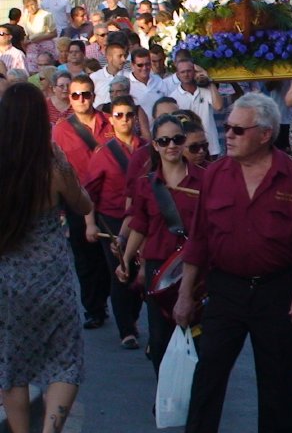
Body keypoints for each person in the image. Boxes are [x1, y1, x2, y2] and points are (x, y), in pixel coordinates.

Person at [167, 93, 292, 433]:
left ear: (264, 134)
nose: (228, 135)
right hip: (226, 288)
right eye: (227, 128)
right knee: (210, 369)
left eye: (237, 130)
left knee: (279, 371)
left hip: (278, 288)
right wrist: (185, 294)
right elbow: (199, 240)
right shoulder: (216, 175)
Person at [0, 84, 93, 433]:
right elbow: (83, 205)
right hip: (51, 276)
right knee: (65, 360)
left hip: (7, 279)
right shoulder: (52, 163)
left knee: (10, 364)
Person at [120, 114, 205, 375]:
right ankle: (166, 390)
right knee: (160, 339)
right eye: (164, 141)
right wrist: (126, 260)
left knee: (197, 335)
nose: (172, 145)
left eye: (177, 139)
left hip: (196, 267)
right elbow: (140, 225)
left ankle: (195, 393)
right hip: (159, 268)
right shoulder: (146, 184)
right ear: (155, 145)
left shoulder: (205, 179)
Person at [82, 96, 145, 349]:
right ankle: (126, 330)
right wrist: (90, 224)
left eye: (129, 114)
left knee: (139, 273)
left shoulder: (147, 148)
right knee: (120, 271)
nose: (124, 120)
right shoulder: (103, 153)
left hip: (142, 220)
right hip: (112, 219)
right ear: (111, 119)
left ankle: (133, 317)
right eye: (119, 115)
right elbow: (90, 192)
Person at [53, 74, 114, 329]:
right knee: (86, 259)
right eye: (75, 95)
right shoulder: (61, 130)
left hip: (109, 197)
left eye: (85, 94)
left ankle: (114, 304)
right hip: (77, 200)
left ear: (93, 96)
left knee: (110, 257)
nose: (81, 99)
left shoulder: (109, 122)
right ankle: (93, 309)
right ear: (70, 98)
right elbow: (56, 168)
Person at [169, 58, 224, 158]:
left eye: (189, 71)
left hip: (210, 146)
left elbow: (219, 106)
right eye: (182, 72)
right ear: (178, 74)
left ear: (194, 72)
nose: (186, 74)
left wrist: (208, 80)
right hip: (189, 149)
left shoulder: (206, 90)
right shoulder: (173, 97)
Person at [22, 0, 58, 74]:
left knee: (47, 71)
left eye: (32, 4)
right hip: (32, 48)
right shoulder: (26, 16)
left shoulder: (46, 15)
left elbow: (54, 33)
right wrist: (25, 41)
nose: (31, 8)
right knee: (33, 72)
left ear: (36, 3)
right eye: (27, 6)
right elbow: (28, 33)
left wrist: (38, 38)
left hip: (45, 47)